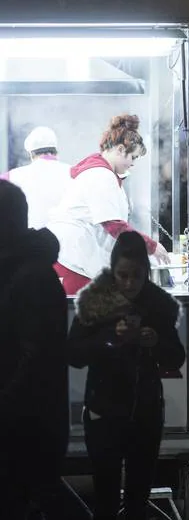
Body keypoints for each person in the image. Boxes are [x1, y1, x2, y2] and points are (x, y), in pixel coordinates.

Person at [69, 230, 185, 520]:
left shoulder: (159, 304)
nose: (130, 283)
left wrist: (155, 341)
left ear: (147, 272)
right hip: (103, 408)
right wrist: (111, 338)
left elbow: (176, 357)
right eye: (122, 275)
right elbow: (74, 354)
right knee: (105, 493)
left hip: (145, 408)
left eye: (137, 275)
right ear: (112, 271)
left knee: (138, 494)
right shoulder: (94, 301)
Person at [0, 180, 91, 520]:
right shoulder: (20, 268)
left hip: (25, 426)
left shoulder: (30, 276)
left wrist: (4, 404)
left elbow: (34, 359)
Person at [49, 114, 168, 295]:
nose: (133, 164)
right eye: (133, 157)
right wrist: (151, 246)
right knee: (83, 316)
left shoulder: (105, 174)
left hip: (78, 259)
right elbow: (114, 226)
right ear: (120, 149)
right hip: (74, 261)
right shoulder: (100, 176)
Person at [2, 126, 71, 229]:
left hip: (31, 241)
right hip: (67, 239)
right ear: (55, 151)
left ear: (31, 154)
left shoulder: (12, 176)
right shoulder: (74, 172)